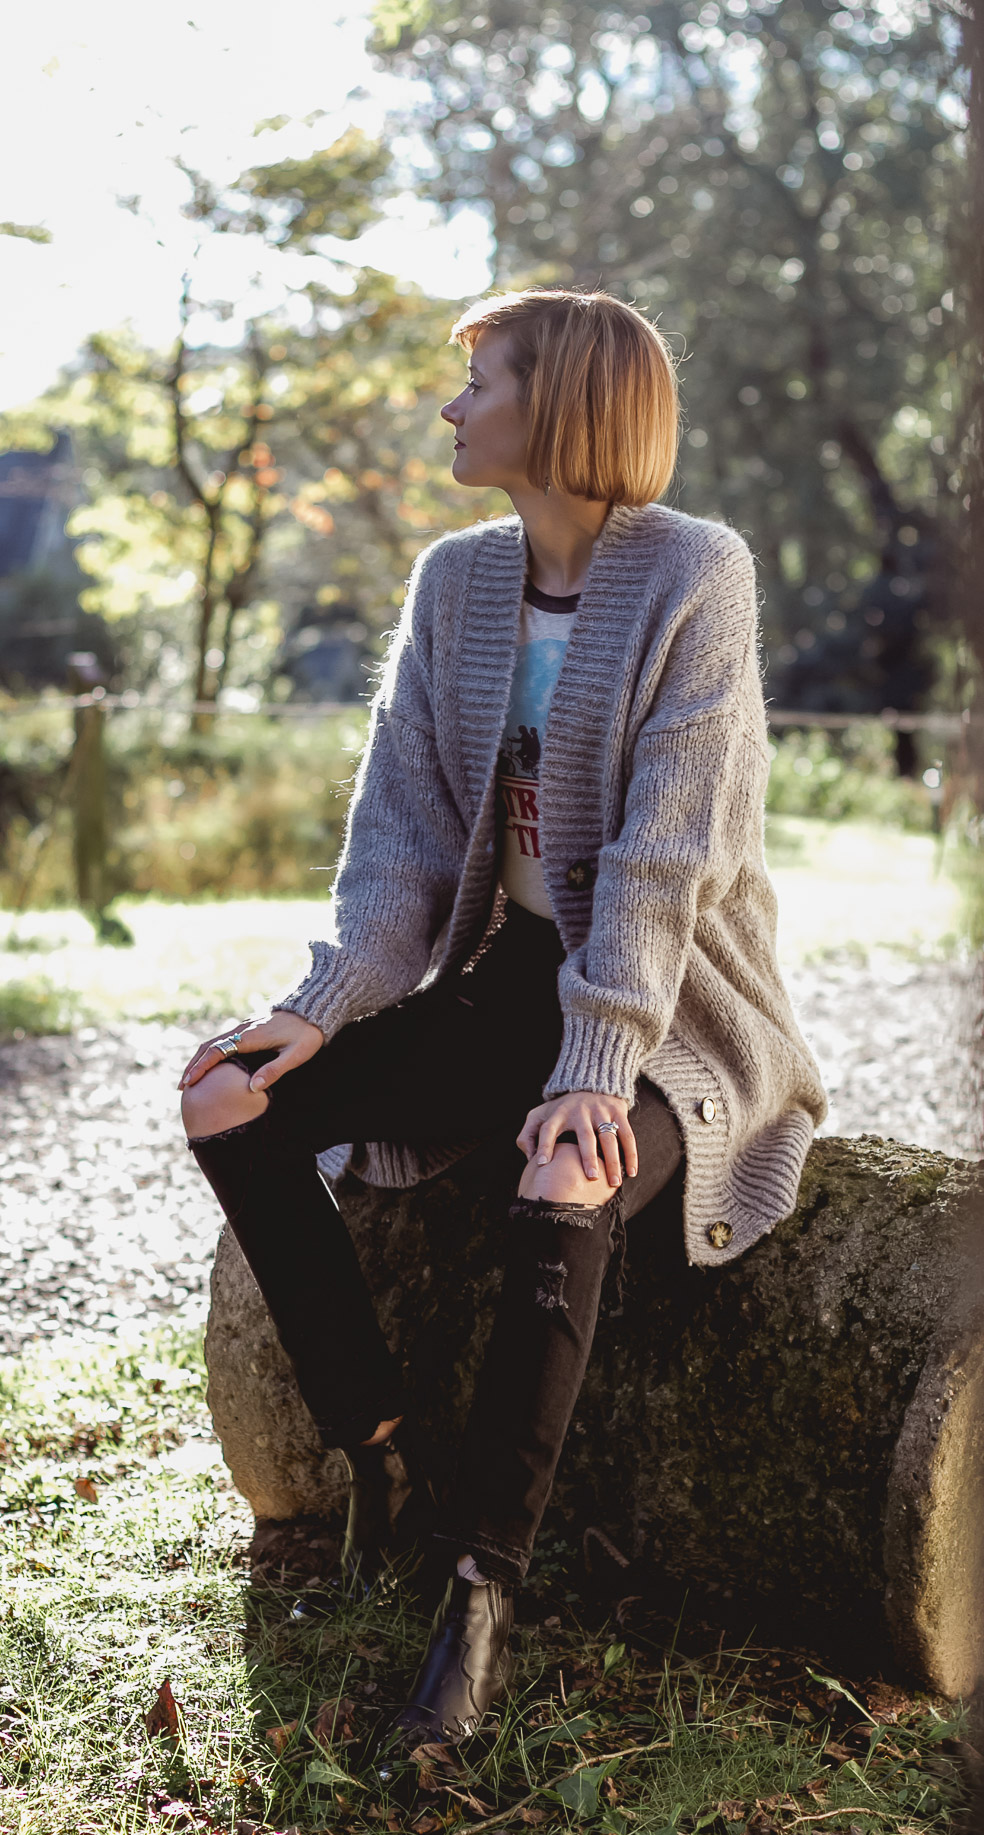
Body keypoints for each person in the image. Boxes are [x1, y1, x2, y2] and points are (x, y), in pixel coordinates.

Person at [179, 288, 826, 1753]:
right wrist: (319, 1006)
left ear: (564, 404)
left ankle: (480, 1591)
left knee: (568, 1168)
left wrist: (597, 1068)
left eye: (480, 382)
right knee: (232, 1097)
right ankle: (379, 1452)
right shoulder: (454, 584)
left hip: (675, 1011)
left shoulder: (694, 574)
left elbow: (669, 859)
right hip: (514, 977)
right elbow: (400, 840)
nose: (450, 408)